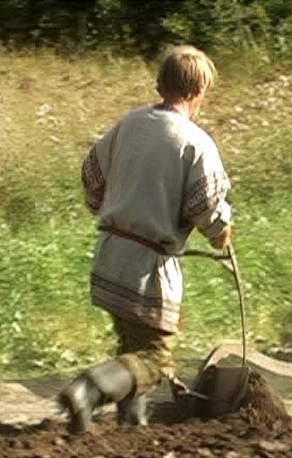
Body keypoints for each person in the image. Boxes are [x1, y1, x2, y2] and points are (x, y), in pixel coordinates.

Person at [58, 45, 233, 433]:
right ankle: (86, 390)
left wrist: (117, 208)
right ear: (199, 90)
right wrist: (221, 232)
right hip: (147, 268)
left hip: (110, 255)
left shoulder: (129, 123)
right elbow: (208, 208)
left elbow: (91, 175)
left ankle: (131, 428)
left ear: (162, 82)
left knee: (132, 351)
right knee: (154, 362)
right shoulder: (195, 142)